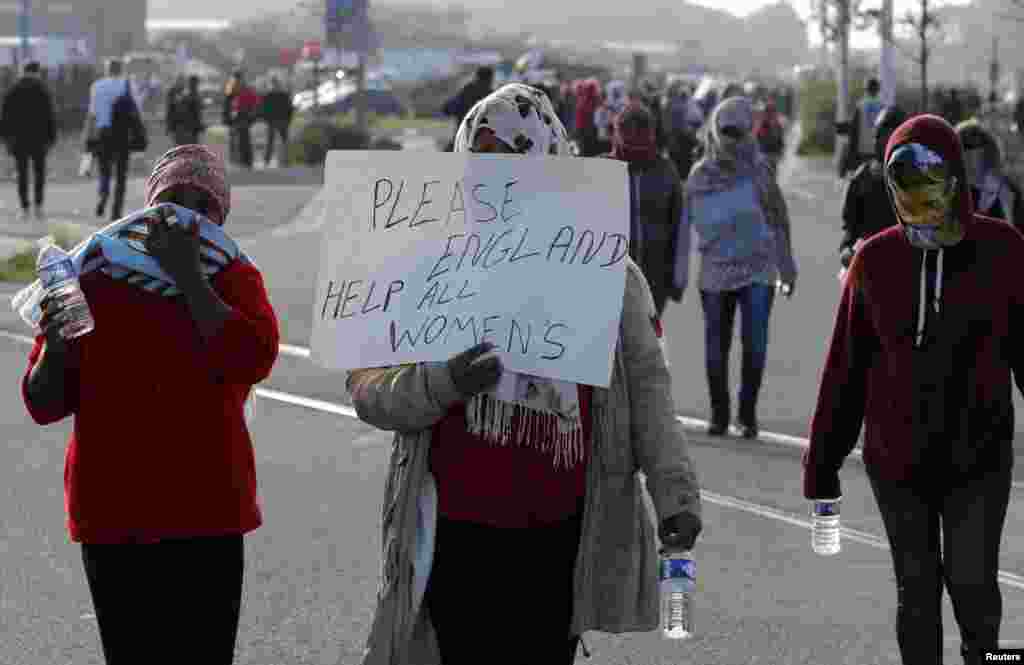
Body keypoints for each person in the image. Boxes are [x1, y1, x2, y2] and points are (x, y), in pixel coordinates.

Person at [350, 83, 703, 665]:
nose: (497, 181)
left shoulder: (607, 271)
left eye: (513, 163)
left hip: (558, 542)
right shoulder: (422, 264)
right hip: (455, 541)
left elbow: (649, 392)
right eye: (480, 162)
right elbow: (371, 394)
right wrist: (445, 382)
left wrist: (676, 499)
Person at [19, 144, 279, 664]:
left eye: (199, 206)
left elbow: (250, 359)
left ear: (220, 218)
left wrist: (190, 278)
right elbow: (44, 402)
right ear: (145, 210)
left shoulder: (233, 277)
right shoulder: (93, 275)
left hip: (207, 512)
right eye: (170, 201)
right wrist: (57, 346)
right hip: (115, 514)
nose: (181, 216)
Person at [803, 114, 1019, 665]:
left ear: (955, 179)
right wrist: (822, 464)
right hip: (897, 462)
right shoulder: (874, 260)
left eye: (931, 178)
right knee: (917, 593)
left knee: (973, 590)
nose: (919, 193)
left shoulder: (1003, 251)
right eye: (905, 181)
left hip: (979, 456)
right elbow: (844, 369)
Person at [673, 96, 798, 439]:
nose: (731, 138)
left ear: (748, 131)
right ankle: (719, 414)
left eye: (737, 131)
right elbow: (684, 228)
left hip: (759, 270)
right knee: (716, 346)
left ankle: (746, 415)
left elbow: (779, 220)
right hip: (715, 275)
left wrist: (787, 268)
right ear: (715, 129)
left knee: (755, 344)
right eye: (725, 130)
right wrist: (679, 274)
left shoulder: (760, 172)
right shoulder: (700, 176)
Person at [604, 102, 684, 316]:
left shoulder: (666, 171)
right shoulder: (601, 170)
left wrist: (677, 279)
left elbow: (679, 227)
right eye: (628, 129)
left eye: (641, 129)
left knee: (648, 345)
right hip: (607, 278)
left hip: (654, 280)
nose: (634, 136)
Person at [838, 105, 910, 270]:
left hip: (904, 267)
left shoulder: (916, 179)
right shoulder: (861, 178)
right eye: (878, 134)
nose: (880, 140)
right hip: (868, 264)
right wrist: (846, 251)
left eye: (888, 136)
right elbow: (850, 230)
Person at [84, 59, 143, 221]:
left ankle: (103, 195)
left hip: (103, 133)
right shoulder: (128, 85)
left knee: (104, 169)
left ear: (107, 69)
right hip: (122, 134)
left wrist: (88, 135)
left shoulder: (97, 86)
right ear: (121, 69)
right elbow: (137, 110)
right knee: (121, 174)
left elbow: (92, 114)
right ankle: (116, 211)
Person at [0, 61, 57, 221]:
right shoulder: (42, 89)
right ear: (37, 71)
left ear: (22, 71)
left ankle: (24, 207)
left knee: (22, 173)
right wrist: (51, 137)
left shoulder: (13, 89)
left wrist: (5, 138)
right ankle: (39, 206)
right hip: (39, 138)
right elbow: (49, 115)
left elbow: (5, 116)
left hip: (18, 138)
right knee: (39, 172)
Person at [955, 118, 1024, 231]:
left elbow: (1017, 232)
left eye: (979, 147)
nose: (973, 156)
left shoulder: (1007, 189)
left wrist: (1006, 208)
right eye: (966, 147)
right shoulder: (951, 191)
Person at [839, 77, 884, 179]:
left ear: (866, 89)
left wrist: (850, 159)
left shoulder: (860, 106)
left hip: (862, 150)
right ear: (878, 90)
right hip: (877, 151)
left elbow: (853, 132)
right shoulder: (882, 107)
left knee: (860, 179)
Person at [441, 66, 494, 152]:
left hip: (464, 140)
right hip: (488, 145)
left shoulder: (467, 92)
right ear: (491, 79)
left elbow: (447, 109)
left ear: (477, 77)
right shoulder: (493, 96)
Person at [230, 73, 262, 170]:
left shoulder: (246, 91)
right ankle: (244, 159)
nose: (238, 82)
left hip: (244, 116)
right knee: (242, 138)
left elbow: (256, 103)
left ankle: (246, 160)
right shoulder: (237, 90)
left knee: (243, 138)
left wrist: (251, 113)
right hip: (240, 116)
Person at [261, 77, 294, 167]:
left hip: (274, 121)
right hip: (281, 121)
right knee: (284, 141)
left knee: (271, 142)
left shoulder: (268, 96)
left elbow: (263, 109)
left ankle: (267, 160)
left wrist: (266, 119)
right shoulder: (283, 95)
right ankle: (286, 160)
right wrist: (288, 119)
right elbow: (290, 108)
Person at [166, 75, 205, 147]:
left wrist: (169, 127)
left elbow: (170, 112)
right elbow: (196, 112)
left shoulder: (177, 94)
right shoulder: (191, 94)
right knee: (188, 149)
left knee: (182, 149)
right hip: (187, 128)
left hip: (182, 128)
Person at [594, 80, 627, 156]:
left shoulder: (621, 104)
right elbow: (599, 122)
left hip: (614, 135)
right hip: (607, 135)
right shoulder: (606, 106)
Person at [573, 78, 602, 157]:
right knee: (589, 152)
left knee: (584, 152)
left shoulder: (582, 100)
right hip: (591, 131)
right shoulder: (595, 101)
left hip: (583, 131)